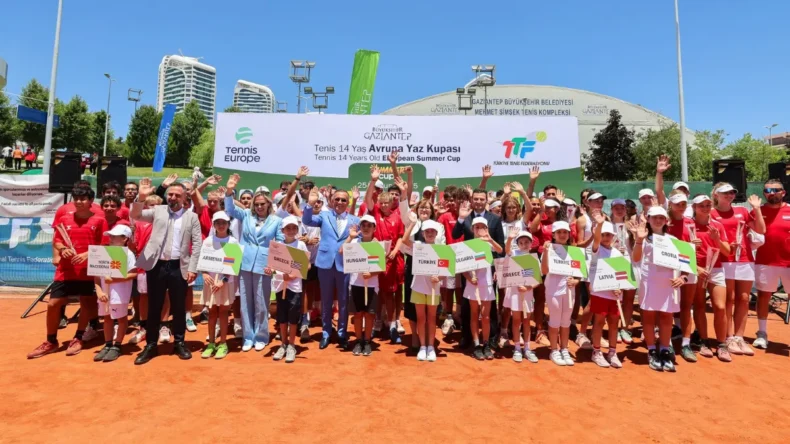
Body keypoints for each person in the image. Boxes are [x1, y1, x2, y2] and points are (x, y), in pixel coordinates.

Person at [27, 185, 107, 358]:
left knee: (86, 303)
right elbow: (57, 241)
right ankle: (51, 341)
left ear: (91, 201)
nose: (79, 202)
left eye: (83, 199)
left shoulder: (100, 220)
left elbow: (104, 244)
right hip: (65, 269)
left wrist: (87, 254)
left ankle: (78, 337)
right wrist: (63, 250)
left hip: (88, 269)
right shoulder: (64, 219)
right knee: (53, 304)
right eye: (76, 199)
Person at [130, 178, 202, 365]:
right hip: (157, 266)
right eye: (170, 194)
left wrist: (193, 268)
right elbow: (136, 215)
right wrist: (141, 198)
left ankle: (179, 343)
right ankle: (151, 345)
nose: (173, 197)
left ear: (184, 198)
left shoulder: (191, 217)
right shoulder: (158, 210)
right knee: (154, 306)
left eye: (177, 195)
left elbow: (197, 244)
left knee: (179, 307)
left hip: (179, 266)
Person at [224, 173, 284, 352]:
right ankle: (248, 336)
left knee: (261, 302)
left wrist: (274, 264)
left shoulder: (277, 221)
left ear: (268, 205)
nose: (259, 207)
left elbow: (279, 243)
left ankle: (261, 336)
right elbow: (230, 209)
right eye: (256, 204)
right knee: (245, 302)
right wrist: (229, 190)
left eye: (262, 204)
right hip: (245, 262)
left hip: (264, 265)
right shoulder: (246, 215)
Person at [631, 206, 688, 372]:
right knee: (648, 317)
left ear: (666, 221)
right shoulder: (643, 238)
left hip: (669, 283)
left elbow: (686, 263)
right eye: (654, 217)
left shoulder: (674, 240)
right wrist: (639, 240)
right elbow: (636, 258)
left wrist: (683, 278)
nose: (658, 220)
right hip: (649, 282)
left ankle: (664, 350)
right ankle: (651, 350)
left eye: (661, 218)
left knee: (666, 318)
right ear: (648, 219)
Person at [303, 185, 360, 350]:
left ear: (348, 202)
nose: (340, 202)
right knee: (326, 300)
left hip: (345, 264)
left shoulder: (355, 220)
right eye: (337, 199)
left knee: (343, 301)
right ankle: (326, 332)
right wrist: (310, 204)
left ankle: (342, 333)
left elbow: (362, 240)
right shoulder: (324, 215)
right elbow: (307, 221)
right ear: (332, 201)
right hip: (325, 263)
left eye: (343, 200)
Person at [711, 184, 764, 357]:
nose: (729, 195)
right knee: (730, 298)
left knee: (744, 298)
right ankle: (729, 337)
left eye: (732, 192)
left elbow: (761, 229)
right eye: (725, 193)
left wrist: (756, 209)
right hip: (724, 259)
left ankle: (739, 337)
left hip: (745, 259)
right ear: (716, 195)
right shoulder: (711, 213)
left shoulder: (742, 210)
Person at [454, 184, 506, 352]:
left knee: (488, 309)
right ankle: (468, 337)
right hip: (469, 270)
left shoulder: (495, 219)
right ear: (472, 200)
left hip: (489, 271)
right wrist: (461, 218)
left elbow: (501, 247)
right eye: (475, 199)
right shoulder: (466, 216)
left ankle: (490, 339)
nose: (478, 201)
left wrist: (498, 269)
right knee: (469, 306)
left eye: (481, 199)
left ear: (486, 201)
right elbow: (455, 235)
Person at [365, 164, 406, 344]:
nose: (382, 205)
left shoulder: (397, 215)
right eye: (381, 203)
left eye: (386, 203)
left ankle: (392, 325)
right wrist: (372, 181)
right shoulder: (374, 212)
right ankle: (377, 323)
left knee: (389, 295)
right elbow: (368, 198)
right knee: (376, 293)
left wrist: (395, 251)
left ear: (392, 203)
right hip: (375, 259)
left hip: (391, 260)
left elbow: (401, 237)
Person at [690, 194, 732, 362]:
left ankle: (722, 344)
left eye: (708, 205)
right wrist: (696, 268)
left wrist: (717, 239)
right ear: (694, 207)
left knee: (720, 307)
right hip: (697, 270)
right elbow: (681, 252)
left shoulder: (717, 225)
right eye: (701, 205)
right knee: (699, 305)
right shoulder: (688, 225)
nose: (705, 208)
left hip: (716, 269)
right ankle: (704, 341)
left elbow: (727, 251)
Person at [752, 179, 790, 350]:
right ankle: (762, 333)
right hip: (765, 262)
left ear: (783, 192)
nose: (771, 193)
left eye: (775, 190)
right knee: (763, 297)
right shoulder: (757, 211)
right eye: (767, 190)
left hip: (788, 263)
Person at [401, 217, 444, 362]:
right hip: (418, 287)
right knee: (421, 318)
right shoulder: (418, 246)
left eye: (432, 231)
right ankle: (423, 346)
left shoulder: (441, 249)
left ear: (436, 233)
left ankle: (431, 347)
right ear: (423, 233)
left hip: (434, 288)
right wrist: (412, 223)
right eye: (427, 231)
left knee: (431, 318)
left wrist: (439, 278)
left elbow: (446, 270)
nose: (430, 233)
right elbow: (404, 240)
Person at [267, 216, 309, 363]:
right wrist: (269, 270)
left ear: (297, 230)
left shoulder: (301, 245)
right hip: (280, 286)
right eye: (288, 228)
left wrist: (292, 275)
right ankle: (283, 344)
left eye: (294, 228)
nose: (291, 231)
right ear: (282, 230)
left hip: (295, 287)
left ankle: (291, 345)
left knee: (293, 317)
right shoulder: (277, 246)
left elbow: (307, 265)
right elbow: (272, 266)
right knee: (282, 317)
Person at [664, 191, 700, 362]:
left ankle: (686, 344)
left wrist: (694, 246)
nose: (681, 206)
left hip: (687, 266)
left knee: (686, 305)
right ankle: (667, 343)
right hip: (668, 267)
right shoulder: (664, 222)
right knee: (668, 306)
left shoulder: (691, 222)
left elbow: (692, 246)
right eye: (677, 203)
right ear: (670, 204)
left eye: (684, 203)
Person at [93, 225, 138, 362]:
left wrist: (114, 280)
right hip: (104, 294)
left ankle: (117, 345)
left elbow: (133, 274)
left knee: (121, 318)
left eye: (115, 236)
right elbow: (96, 275)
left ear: (125, 239)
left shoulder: (128, 254)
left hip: (120, 294)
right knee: (107, 318)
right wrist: (99, 291)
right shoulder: (102, 252)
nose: (111, 238)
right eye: (110, 236)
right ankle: (108, 344)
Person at [463, 216, 503, 360]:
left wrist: (490, 239)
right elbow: (461, 267)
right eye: (477, 227)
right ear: (472, 229)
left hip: (486, 283)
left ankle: (486, 344)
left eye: (483, 227)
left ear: (487, 229)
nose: (479, 229)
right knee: (474, 315)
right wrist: (469, 278)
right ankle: (476, 345)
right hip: (473, 284)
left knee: (485, 316)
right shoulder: (467, 245)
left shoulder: (489, 244)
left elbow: (500, 250)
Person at [199, 211, 238, 360]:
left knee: (223, 312)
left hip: (224, 283)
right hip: (210, 283)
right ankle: (211, 343)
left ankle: (223, 343)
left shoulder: (232, 242)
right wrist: (204, 273)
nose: (221, 225)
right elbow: (203, 261)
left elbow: (233, 264)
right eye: (218, 223)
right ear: (214, 225)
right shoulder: (208, 241)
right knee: (211, 313)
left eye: (224, 223)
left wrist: (223, 280)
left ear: (228, 224)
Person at [540, 221, 579, 366]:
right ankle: (554, 350)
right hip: (553, 291)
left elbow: (579, 274)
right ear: (554, 235)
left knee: (566, 321)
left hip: (569, 291)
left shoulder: (574, 251)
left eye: (565, 232)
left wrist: (575, 281)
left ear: (569, 234)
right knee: (555, 321)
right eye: (559, 232)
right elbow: (544, 271)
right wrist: (545, 252)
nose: (562, 235)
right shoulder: (549, 249)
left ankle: (564, 349)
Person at [587, 212, 624, 369]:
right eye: (603, 234)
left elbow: (622, 274)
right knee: (599, 321)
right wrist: (600, 224)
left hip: (614, 295)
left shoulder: (617, 253)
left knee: (614, 323)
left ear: (613, 236)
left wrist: (620, 288)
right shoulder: (596, 250)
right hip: (600, 292)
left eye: (608, 234)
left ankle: (612, 352)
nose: (606, 237)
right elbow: (596, 239)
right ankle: (596, 351)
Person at [128, 195, 162, 345]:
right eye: (151, 205)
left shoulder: (166, 222)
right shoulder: (139, 223)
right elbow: (133, 246)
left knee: (164, 295)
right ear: (146, 207)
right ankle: (144, 327)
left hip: (162, 263)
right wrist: (131, 237)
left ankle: (163, 326)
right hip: (144, 264)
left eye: (157, 205)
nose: (154, 207)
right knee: (144, 295)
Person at [345, 215, 380, 357]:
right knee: (358, 315)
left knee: (370, 315)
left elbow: (381, 268)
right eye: (363, 225)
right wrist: (350, 237)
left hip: (372, 286)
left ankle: (367, 341)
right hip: (355, 284)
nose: (366, 228)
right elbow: (341, 251)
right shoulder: (354, 243)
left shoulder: (377, 246)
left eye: (369, 225)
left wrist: (371, 274)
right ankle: (358, 341)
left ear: (374, 228)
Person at [503, 227, 537, 363]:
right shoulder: (513, 254)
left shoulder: (534, 259)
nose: (524, 245)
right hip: (515, 293)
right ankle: (517, 347)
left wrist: (528, 287)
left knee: (527, 320)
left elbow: (537, 280)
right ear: (517, 244)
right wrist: (510, 238)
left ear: (531, 243)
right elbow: (507, 250)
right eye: (521, 242)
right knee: (516, 320)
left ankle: (527, 348)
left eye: (526, 242)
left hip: (527, 293)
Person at [609, 198, 636, 344]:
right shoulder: (607, 225)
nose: (619, 210)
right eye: (616, 208)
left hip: (630, 263)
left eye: (622, 208)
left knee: (629, 298)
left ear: (626, 209)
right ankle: (614, 329)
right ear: (611, 209)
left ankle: (624, 328)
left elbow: (636, 244)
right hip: (613, 263)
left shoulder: (631, 225)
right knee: (615, 299)